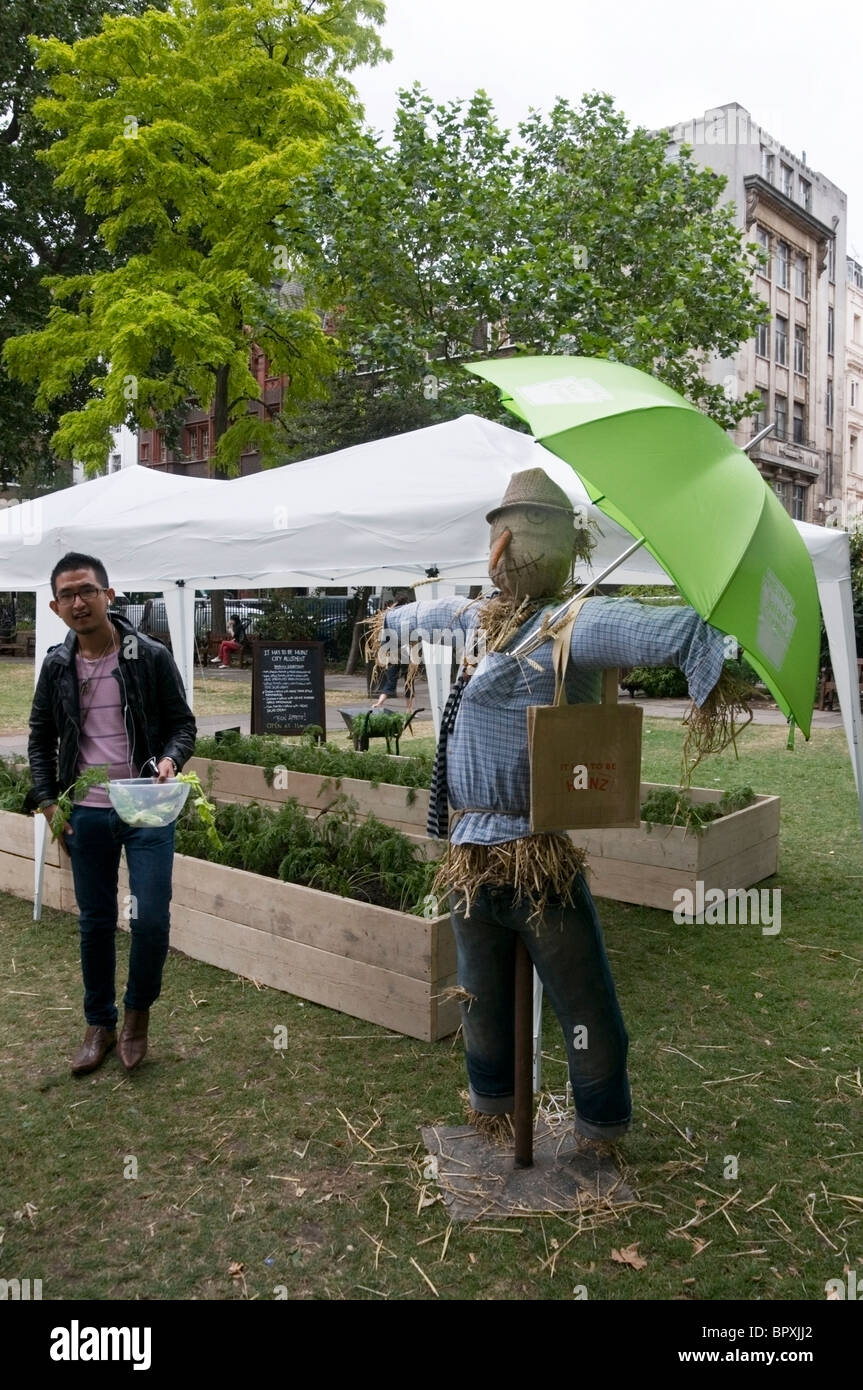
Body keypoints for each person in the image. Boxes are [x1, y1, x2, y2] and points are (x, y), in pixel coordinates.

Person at [375, 470, 741, 1157]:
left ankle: (598, 1129)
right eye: (500, 534)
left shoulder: (574, 621)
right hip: (471, 860)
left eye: (514, 534)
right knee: (480, 1004)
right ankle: (494, 1111)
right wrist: (387, 617)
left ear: (550, 546)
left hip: (535, 856)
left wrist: (710, 624)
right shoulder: (481, 622)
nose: (504, 548)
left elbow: (661, 632)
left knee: (584, 1003)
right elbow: (428, 614)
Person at [27, 551, 197, 1076]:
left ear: (109, 596)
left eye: (87, 591)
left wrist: (170, 759)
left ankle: (136, 1016)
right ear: (56, 607)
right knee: (96, 922)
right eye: (68, 596)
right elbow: (39, 739)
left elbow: (182, 726)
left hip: (146, 808)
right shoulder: (57, 666)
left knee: (150, 922)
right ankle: (97, 1023)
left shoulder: (147, 656)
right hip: (87, 814)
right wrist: (51, 802)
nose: (79, 602)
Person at [371, 593, 415, 710]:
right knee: (409, 681)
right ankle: (408, 709)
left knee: (391, 680)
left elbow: (385, 631)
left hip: (392, 650)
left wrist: (383, 647)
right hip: (406, 650)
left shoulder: (389, 614)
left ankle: (379, 703)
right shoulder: (408, 613)